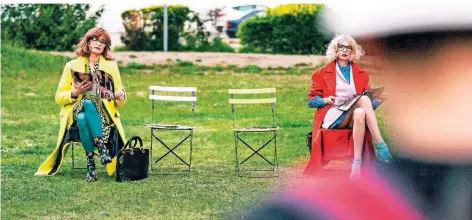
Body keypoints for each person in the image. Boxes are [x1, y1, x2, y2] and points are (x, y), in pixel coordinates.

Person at [35, 27, 127, 182]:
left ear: (106, 47)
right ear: (88, 42)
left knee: (84, 118)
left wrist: (120, 95)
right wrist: (74, 93)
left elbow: (120, 95)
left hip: (103, 115)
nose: (99, 43)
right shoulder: (71, 65)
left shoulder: (111, 66)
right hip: (76, 110)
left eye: (103, 42)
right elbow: (58, 97)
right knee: (87, 103)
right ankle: (102, 147)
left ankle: (91, 166)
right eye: (95, 39)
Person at [306, 34, 392, 178]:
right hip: (333, 114)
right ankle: (381, 145)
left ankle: (356, 163)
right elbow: (311, 101)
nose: (345, 50)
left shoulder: (362, 73)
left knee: (360, 112)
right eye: (341, 47)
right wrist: (326, 100)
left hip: (353, 113)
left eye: (349, 48)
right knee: (363, 99)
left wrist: (380, 100)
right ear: (335, 50)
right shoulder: (321, 72)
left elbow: (366, 106)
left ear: (353, 51)